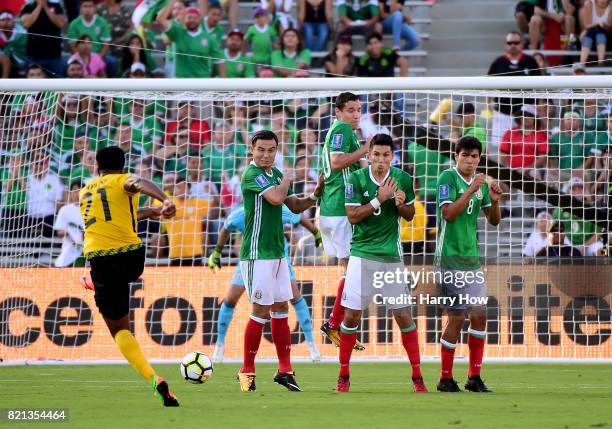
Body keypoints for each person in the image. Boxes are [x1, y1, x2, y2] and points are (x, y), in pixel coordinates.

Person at [79, 146, 179, 406]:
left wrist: (159, 204)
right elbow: (138, 187)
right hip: (131, 257)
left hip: (101, 260)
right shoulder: (123, 180)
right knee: (118, 280)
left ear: (96, 167)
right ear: (122, 167)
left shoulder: (85, 191)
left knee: (120, 331)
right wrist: (162, 202)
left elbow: (132, 191)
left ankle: (153, 379)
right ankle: (159, 383)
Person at [336, 133, 426, 393]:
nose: (381, 160)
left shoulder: (404, 179)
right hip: (362, 255)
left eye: (386, 155)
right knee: (352, 315)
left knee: (403, 315)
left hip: (390, 258)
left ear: (392, 157)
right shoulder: (355, 179)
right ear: (368, 155)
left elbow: (409, 215)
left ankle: (417, 377)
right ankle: (343, 375)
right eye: (376, 155)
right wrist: (379, 199)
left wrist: (400, 205)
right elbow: (352, 216)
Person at [236, 130, 323, 393]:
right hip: (256, 253)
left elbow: (293, 206)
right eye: (261, 149)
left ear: (276, 150)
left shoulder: (274, 175)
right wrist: (286, 179)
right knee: (260, 309)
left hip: (277, 254)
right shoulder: (251, 174)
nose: (265, 155)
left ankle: (285, 370)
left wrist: (315, 195)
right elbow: (276, 197)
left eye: (271, 150)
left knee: (281, 306)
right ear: (252, 149)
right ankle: (246, 371)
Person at [207, 204, 322, 363]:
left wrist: (316, 232)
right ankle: (219, 347)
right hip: (252, 260)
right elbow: (226, 228)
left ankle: (311, 346)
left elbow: (299, 216)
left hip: (279, 259)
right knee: (231, 298)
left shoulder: (277, 209)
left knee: (294, 297)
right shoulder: (241, 214)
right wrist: (217, 252)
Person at [434, 136, 502, 393]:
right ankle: (445, 378)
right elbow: (448, 214)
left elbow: (494, 221)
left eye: (475, 156)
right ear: (456, 156)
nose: (470, 160)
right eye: (466, 155)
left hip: (471, 260)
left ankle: (474, 377)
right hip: (448, 259)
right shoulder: (447, 179)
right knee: (457, 318)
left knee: (480, 316)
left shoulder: (481, 184)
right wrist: (472, 189)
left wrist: (494, 200)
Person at [318, 92, 369, 350]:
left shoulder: (332, 132)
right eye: (350, 110)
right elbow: (337, 162)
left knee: (349, 271)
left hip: (329, 208)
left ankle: (337, 324)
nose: (356, 114)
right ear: (338, 112)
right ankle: (334, 323)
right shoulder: (342, 129)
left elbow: (324, 170)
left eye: (359, 109)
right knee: (353, 273)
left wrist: (319, 189)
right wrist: (365, 148)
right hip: (340, 210)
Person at [157, 2, 225, 78]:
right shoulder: (177, 33)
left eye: (195, 18)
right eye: (189, 17)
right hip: (182, 82)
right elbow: (160, 20)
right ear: (184, 19)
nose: (192, 20)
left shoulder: (208, 38)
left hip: (202, 82)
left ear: (199, 20)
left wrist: (224, 81)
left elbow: (219, 60)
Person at [499, 104, 549, 179]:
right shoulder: (509, 133)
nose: (526, 117)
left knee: (535, 174)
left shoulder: (541, 135)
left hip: (532, 170)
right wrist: (502, 170)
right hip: (511, 169)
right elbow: (502, 155)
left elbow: (542, 158)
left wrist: (526, 169)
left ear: (535, 119)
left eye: (529, 115)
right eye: (523, 115)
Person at [67, 0, 115, 76]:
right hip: (80, 56)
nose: (88, 9)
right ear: (80, 8)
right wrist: (81, 59)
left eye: (90, 6)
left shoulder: (102, 22)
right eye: (85, 6)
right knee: (67, 64)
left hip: (99, 55)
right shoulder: (74, 24)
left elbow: (106, 45)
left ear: (95, 8)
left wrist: (96, 59)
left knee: (112, 62)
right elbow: (73, 47)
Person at [20, 0, 66, 77]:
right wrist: (39, 6)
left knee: (57, 86)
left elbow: (60, 23)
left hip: (54, 56)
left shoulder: (56, 6)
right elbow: (26, 24)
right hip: (33, 56)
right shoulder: (28, 7)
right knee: (31, 86)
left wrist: (45, 7)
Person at [53, 181, 85, 267]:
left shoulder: (91, 209)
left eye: (80, 191)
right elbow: (59, 232)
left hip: (87, 251)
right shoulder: (65, 210)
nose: (77, 194)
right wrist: (72, 231)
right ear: (70, 193)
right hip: (69, 251)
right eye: (74, 191)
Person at [579, 0, 611, 64]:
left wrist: (602, 25)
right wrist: (598, 24)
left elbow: (610, 25)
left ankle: (582, 63)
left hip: (607, 38)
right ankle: (600, 62)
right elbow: (586, 25)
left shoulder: (611, 6)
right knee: (592, 30)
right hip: (592, 36)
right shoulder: (589, 4)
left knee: (598, 29)